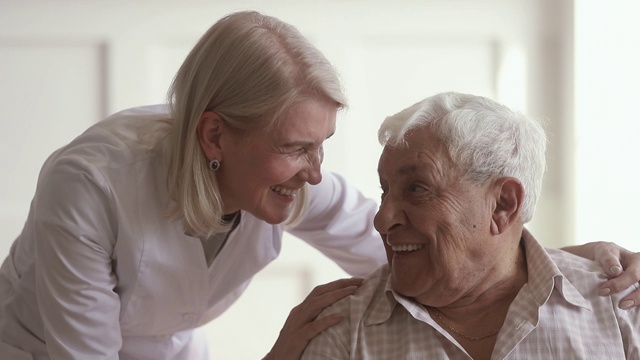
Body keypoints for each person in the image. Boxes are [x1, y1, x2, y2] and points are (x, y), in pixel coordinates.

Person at [0, 11, 636, 360]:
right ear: (216, 137)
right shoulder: (86, 187)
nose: (315, 170)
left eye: (322, 146)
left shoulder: (292, 184)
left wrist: (551, 263)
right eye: (295, 148)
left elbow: (412, 245)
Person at [301, 92, 640, 359]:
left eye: (417, 189)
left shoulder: (622, 307)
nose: (382, 219)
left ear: (503, 205)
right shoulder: (343, 328)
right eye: (384, 190)